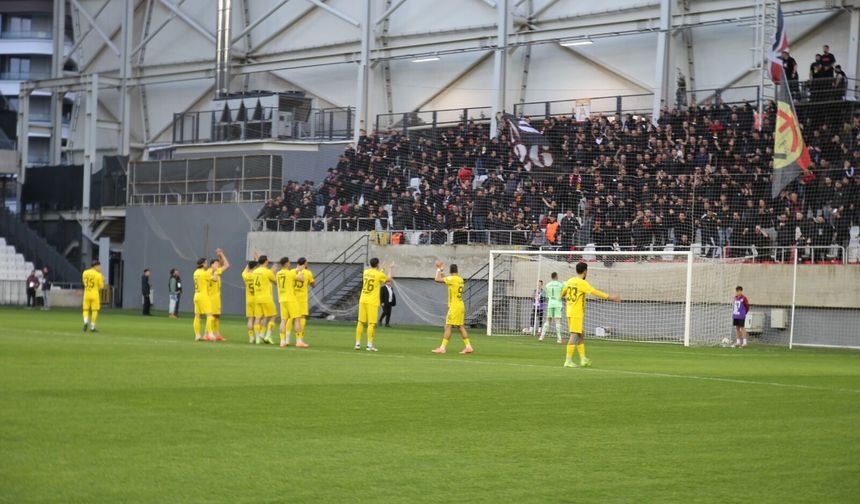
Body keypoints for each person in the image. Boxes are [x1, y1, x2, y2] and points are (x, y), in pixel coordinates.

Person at [560, 262, 621, 368]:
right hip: (576, 312)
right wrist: (610, 297)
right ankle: (568, 360)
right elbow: (594, 292)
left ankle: (583, 359)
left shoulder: (570, 281)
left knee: (581, 334)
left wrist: (568, 295)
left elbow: (562, 293)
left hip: (569, 310)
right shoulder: (582, 283)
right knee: (574, 335)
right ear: (585, 271)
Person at [431, 261, 473, 354]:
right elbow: (446, 279)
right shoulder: (460, 279)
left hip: (454, 306)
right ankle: (468, 347)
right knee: (460, 327)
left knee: (448, 326)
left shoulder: (452, 279)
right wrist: (442, 271)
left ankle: (442, 348)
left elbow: (437, 279)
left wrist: (438, 269)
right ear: (457, 270)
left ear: (450, 271)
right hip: (460, 305)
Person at [355, 257, 392, 351]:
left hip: (363, 299)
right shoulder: (379, 274)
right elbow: (388, 279)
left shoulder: (365, 272)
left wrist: (382, 269)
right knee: (371, 323)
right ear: (378, 264)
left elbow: (377, 275)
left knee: (360, 322)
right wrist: (391, 268)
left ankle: (357, 343)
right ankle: (369, 345)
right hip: (372, 301)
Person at [275, 257, 307, 348]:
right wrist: (300, 271)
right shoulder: (289, 273)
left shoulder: (278, 273)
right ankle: (299, 341)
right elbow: (301, 279)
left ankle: (282, 341)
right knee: (297, 319)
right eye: (289, 262)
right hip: (291, 299)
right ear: (286, 264)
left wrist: (296, 269)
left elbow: (290, 275)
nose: (290, 264)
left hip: (282, 299)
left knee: (283, 320)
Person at [252, 255, 278, 344]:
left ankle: (258, 338)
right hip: (266, 297)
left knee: (258, 318)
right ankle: (268, 336)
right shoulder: (268, 272)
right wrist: (273, 271)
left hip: (257, 297)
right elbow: (276, 282)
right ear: (266, 261)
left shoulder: (254, 272)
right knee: (273, 316)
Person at [292, 257, 316, 345]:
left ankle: (285, 340)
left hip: (292, 297)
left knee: (290, 318)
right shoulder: (308, 273)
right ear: (305, 263)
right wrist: (312, 281)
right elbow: (313, 284)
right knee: (301, 318)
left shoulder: (292, 271)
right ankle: (299, 339)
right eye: (307, 263)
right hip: (302, 299)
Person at [208, 249, 230, 341]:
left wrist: (221, 255)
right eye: (216, 264)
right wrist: (214, 276)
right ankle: (209, 333)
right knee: (211, 315)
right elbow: (212, 278)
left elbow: (226, 265)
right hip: (210, 297)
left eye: (218, 264)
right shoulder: (209, 272)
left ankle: (217, 334)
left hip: (216, 297)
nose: (217, 265)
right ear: (211, 265)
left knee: (216, 316)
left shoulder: (217, 271)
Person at [192, 258, 216, 342]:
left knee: (197, 316)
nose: (207, 265)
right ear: (203, 264)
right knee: (209, 315)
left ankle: (197, 335)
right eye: (206, 263)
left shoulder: (195, 272)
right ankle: (210, 334)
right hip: (203, 296)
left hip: (196, 295)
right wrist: (215, 271)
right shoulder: (204, 273)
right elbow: (215, 279)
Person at [540, 272, 564, 343]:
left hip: (550, 304)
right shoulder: (560, 284)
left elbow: (547, 295)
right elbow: (563, 293)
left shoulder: (547, 285)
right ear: (556, 276)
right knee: (558, 321)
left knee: (548, 320)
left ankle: (541, 336)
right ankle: (559, 339)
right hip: (558, 304)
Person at [81, 260, 105, 332]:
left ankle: (85, 322)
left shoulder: (85, 272)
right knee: (94, 310)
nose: (100, 268)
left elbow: (84, 282)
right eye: (99, 266)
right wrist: (103, 280)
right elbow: (101, 287)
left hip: (86, 293)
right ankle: (92, 327)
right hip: (94, 294)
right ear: (96, 266)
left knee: (85, 309)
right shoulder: (98, 275)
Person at [242, 259, 258, 343]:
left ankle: (251, 337)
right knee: (258, 318)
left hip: (249, 299)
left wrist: (252, 261)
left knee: (250, 319)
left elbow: (246, 269)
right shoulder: (256, 275)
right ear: (255, 267)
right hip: (256, 299)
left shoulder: (245, 275)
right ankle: (258, 336)